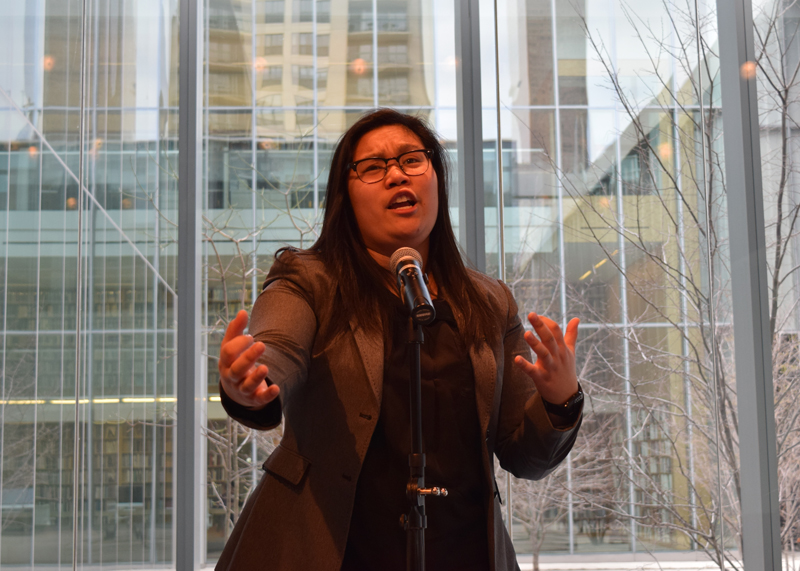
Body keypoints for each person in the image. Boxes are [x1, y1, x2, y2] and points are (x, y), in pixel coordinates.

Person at [215, 109, 583, 571]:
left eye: (412, 160)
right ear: (344, 197)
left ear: (436, 180)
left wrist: (560, 401)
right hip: (330, 550)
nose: (395, 175)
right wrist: (250, 379)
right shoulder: (309, 279)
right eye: (372, 167)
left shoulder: (489, 302)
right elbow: (277, 347)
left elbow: (524, 455)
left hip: (462, 552)